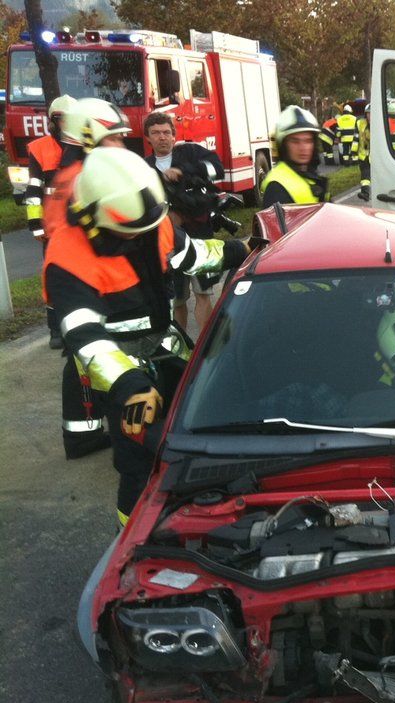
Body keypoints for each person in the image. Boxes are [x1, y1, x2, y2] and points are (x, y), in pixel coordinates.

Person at [44, 147, 248, 526]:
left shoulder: (152, 222)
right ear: (95, 218)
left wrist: (239, 250)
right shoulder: (68, 257)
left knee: (196, 434)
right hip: (121, 375)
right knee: (138, 465)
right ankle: (133, 538)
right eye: (132, 232)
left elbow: (192, 255)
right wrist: (128, 385)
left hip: (165, 350)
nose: (144, 237)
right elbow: (85, 336)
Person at [44, 98, 133, 459]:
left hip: (73, 276)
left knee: (79, 358)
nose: (121, 145)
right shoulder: (88, 178)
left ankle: (82, 433)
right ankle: (86, 435)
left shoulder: (69, 172)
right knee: (92, 355)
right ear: (90, 138)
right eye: (115, 138)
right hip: (90, 279)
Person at [143, 111, 226, 332]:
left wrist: (183, 171)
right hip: (168, 244)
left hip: (200, 238)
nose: (162, 137)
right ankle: (184, 345)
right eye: (155, 133)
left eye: (166, 132)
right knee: (178, 300)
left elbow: (218, 170)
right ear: (148, 138)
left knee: (203, 294)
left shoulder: (190, 152)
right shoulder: (143, 168)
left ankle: (206, 346)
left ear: (174, 135)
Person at [24, 94, 75, 347]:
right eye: (62, 119)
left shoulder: (85, 146)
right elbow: (33, 190)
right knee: (54, 276)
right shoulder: (39, 148)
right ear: (53, 121)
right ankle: (56, 329)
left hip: (80, 224)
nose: (67, 124)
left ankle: (79, 325)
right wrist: (35, 225)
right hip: (53, 228)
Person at [260, 105, 329, 208]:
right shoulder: (276, 187)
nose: (303, 148)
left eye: (308, 141)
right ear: (283, 145)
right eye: (295, 141)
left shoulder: (307, 174)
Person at [356, 101, 371, 202]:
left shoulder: (380, 124)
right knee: (365, 175)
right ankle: (365, 193)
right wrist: (353, 154)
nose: (370, 116)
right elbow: (355, 138)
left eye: (372, 114)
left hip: (377, 155)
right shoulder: (360, 123)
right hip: (363, 154)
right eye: (368, 113)